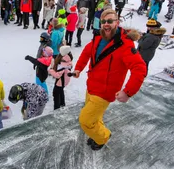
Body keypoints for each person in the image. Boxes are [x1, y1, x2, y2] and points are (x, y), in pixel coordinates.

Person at [71, 9, 146, 150]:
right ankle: (98, 134)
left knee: (85, 121)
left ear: (117, 22)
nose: (106, 24)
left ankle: (103, 137)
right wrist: (78, 69)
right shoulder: (98, 38)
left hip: (105, 93)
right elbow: (87, 52)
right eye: (103, 21)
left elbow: (139, 68)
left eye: (110, 21)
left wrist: (128, 91)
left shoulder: (125, 45)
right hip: (91, 87)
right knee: (95, 118)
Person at [49, 46, 73, 110]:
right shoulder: (68, 60)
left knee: (56, 93)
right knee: (61, 91)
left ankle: (56, 108)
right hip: (65, 80)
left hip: (60, 81)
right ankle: (62, 104)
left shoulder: (62, 65)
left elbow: (57, 75)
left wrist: (51, 69)